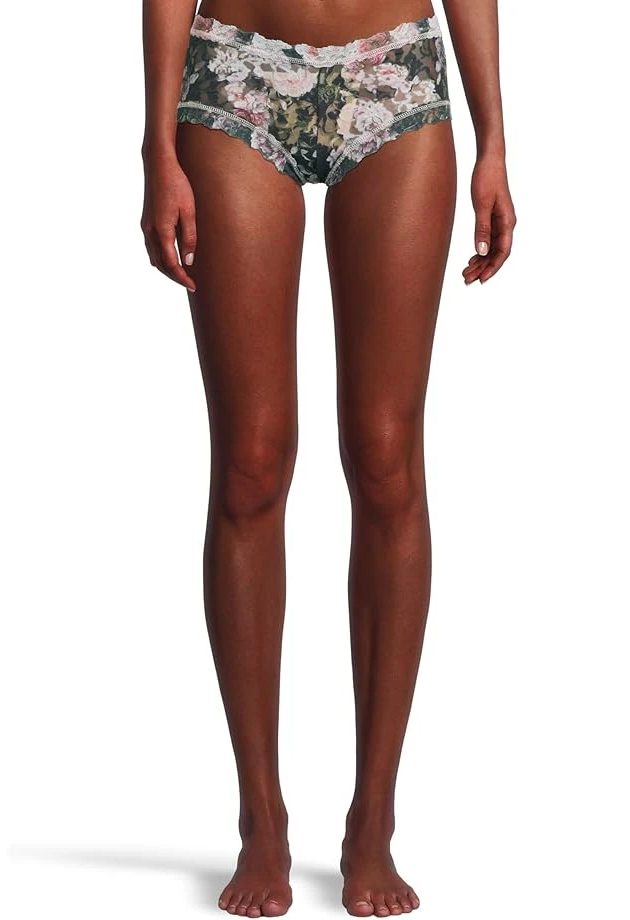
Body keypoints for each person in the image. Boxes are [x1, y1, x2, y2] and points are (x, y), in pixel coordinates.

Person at [141, 0, 515, 915]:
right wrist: (156, 146)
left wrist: (494, 139)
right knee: (249, 465)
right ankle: (260, 817)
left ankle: (373, 819)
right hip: (233, 75)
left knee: (387, 461)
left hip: (397, 79)